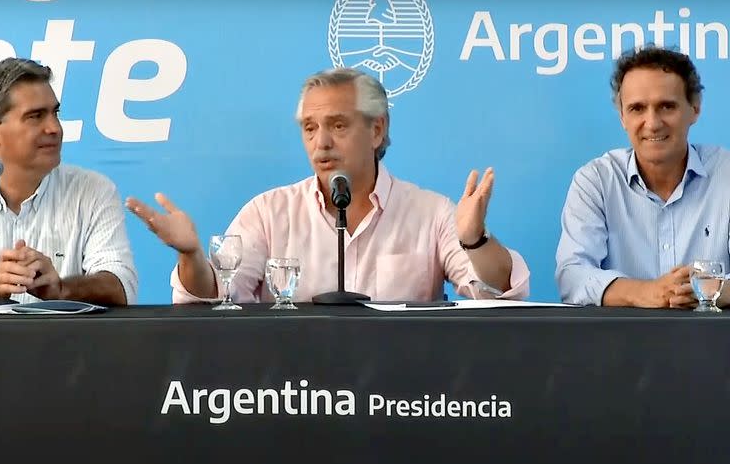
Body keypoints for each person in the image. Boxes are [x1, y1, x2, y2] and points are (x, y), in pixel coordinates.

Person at [127, 67, 529, 303]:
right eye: (309, 128)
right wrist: (192, 256)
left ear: (377, 129)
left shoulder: (430, 212)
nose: (321, 143)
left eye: (338, 125)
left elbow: (497, 294)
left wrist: (474, 240)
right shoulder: (269, 213)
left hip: (403, 400)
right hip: (292, 398)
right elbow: (215, 299)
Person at [556, 45, 730, 308]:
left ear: (694, 109)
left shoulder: (725, 174)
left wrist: (702, 290)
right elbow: (572, 276)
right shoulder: (595, 181)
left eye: (666, 106)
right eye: (637, 108)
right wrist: (646, 292)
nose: (652, 123)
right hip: (619, 346)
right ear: (622, 117)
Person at [0, 58, 137, 305]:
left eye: (55, 113)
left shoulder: (93, 190)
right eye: (35, 116)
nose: (55, 128)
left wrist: (62, 289)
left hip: (65, 344)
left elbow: (121, 286)